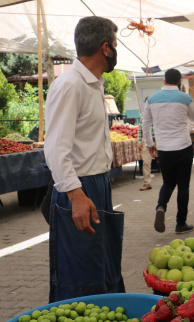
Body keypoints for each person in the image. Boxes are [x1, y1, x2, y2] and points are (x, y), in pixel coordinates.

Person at [44, 16, 125, 302]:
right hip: (79, 188)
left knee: (104, 268)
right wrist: (76, 195)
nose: (116, 50)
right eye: (115, 45)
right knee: (80, 277)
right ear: (105, 48)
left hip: (97, 185)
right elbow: (55, 147)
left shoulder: (94, 84)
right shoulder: (70, 85)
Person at [143, 69, 194, 234]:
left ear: (164, 81)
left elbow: (146, 124)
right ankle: (180, 224)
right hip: (183, 147)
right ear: (180, 81)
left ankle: (161, 206)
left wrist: (149, 144)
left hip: (164, 149)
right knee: (183, 186)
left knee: (168, 183)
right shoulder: (185, 98)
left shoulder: (152, 99)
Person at [138, 97, 155, 191]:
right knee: (146, 162)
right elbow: (140, 129)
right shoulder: (143, 115)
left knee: (166, 160)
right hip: (147, 141)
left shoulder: (158, 114)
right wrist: (139, 141)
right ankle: (147, 183)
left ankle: (169, 181)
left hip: (159, 140)